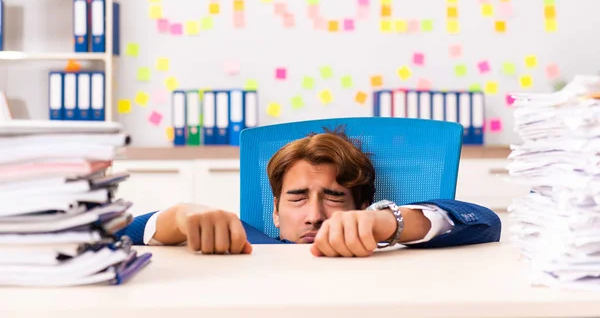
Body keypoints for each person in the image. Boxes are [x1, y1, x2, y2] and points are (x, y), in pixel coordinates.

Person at [116, 127, 501, 257]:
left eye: (334, 197)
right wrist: (179, 216)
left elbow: (485, 222)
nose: (315, 214)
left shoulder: (385, 250)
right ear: (275, 211)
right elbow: (116, 233)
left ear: (361, 207)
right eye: (297, 197)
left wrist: (390, 222)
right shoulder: (249, 241)